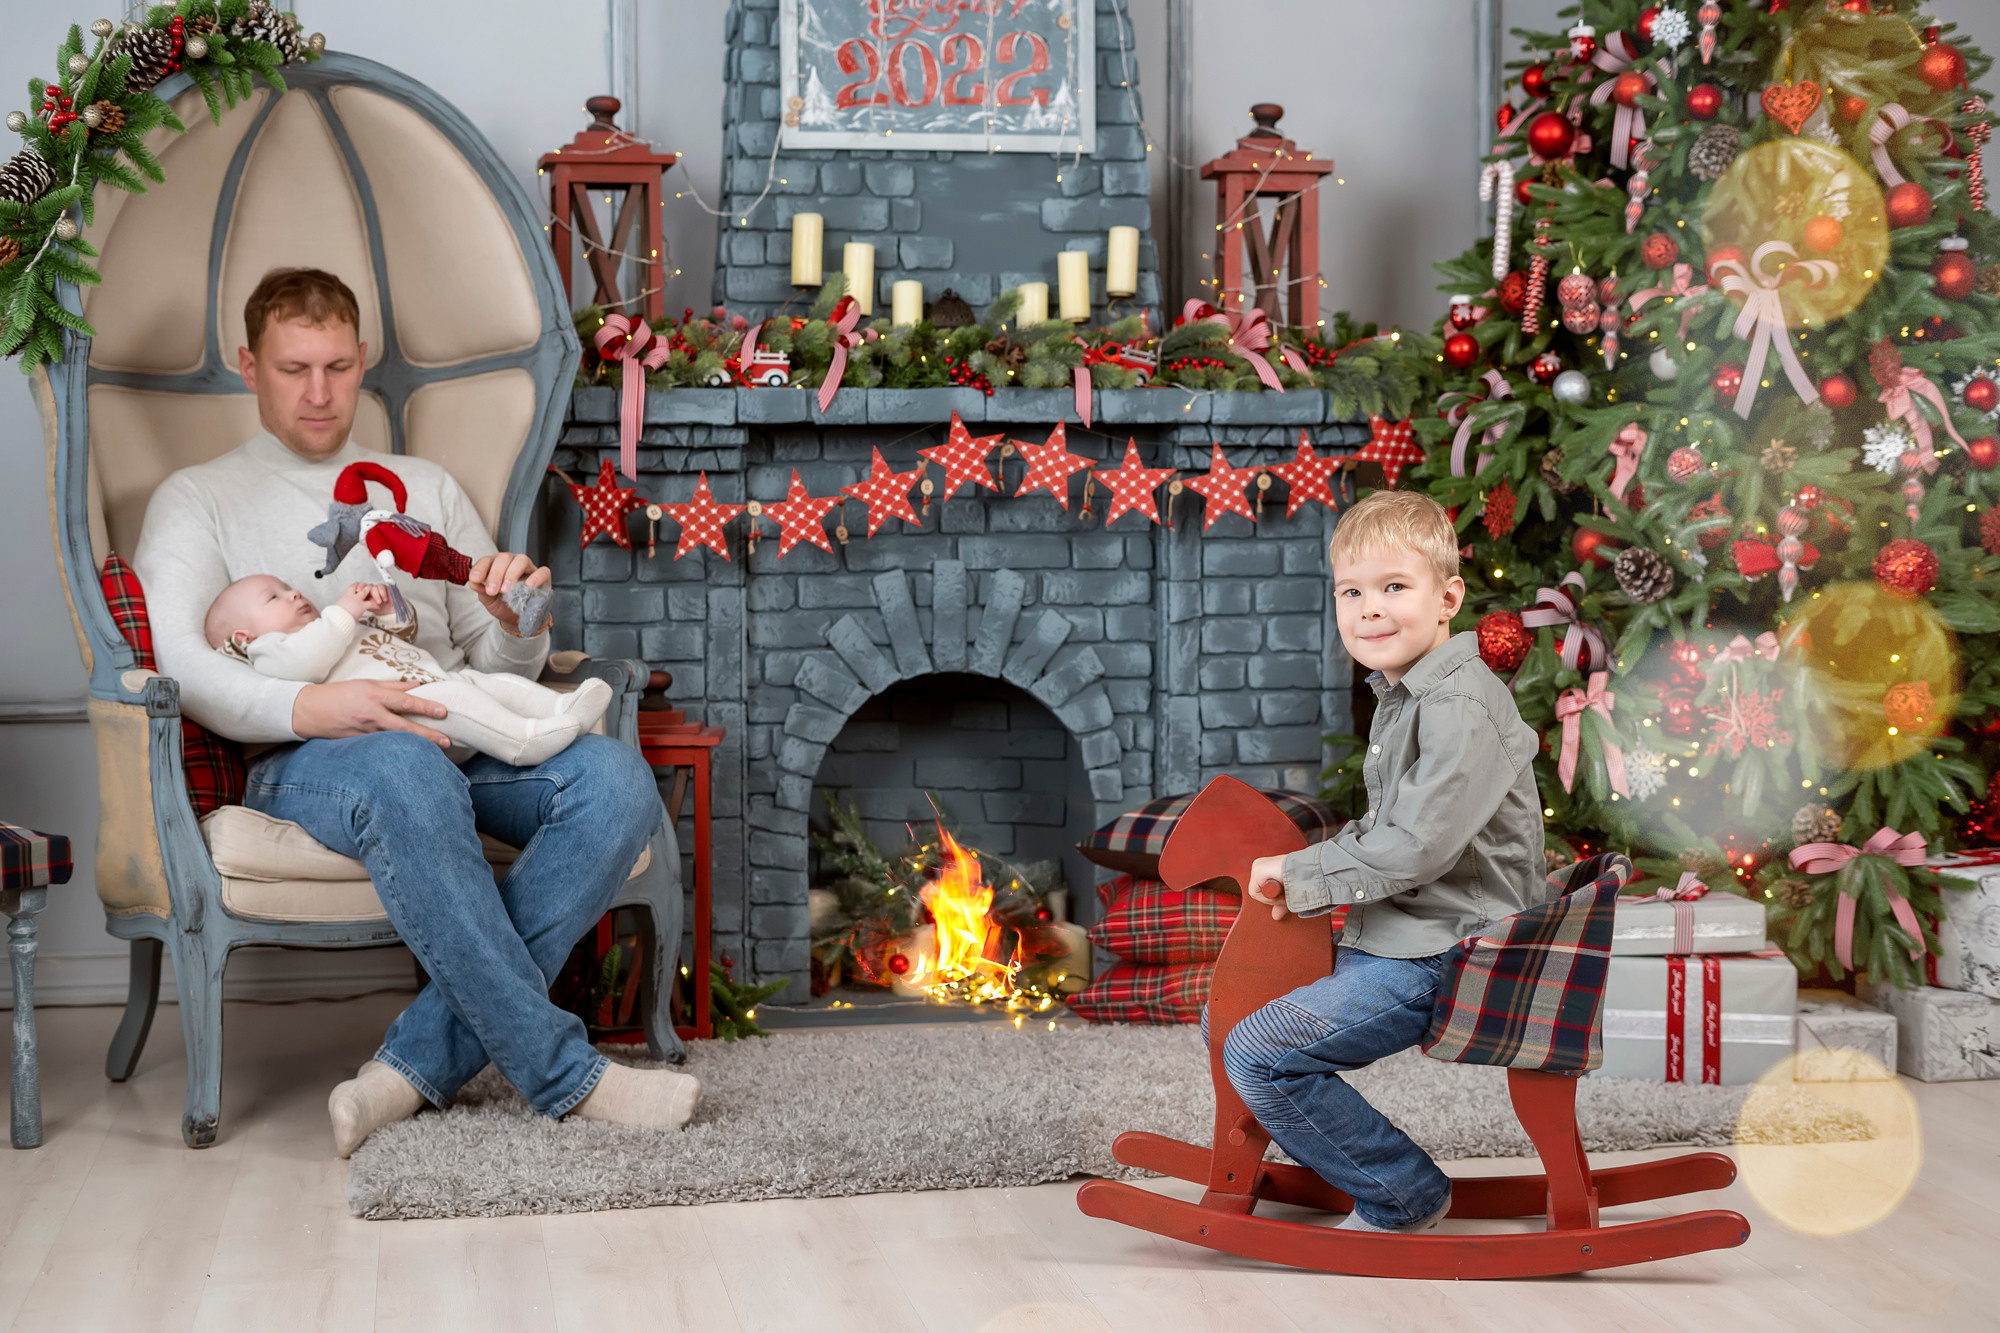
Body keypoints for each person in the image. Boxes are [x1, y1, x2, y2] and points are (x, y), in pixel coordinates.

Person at [135, 267, 699, 1156]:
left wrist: (521, 614)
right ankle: (565, 1073)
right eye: (292, 369)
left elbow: (497, 650)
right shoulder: (196, 500)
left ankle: (411, 1068)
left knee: (617, 781)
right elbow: (184, 672)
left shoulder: (424, 487)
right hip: (313, 758)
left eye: (336, 366)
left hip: (460, 723)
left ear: (363, 360)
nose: (319, 393)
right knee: (402, 767)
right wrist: (324, 703)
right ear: (250, 365)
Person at [1223, 489, 1546, 1234]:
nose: (1370, 609)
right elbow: (1390, 824)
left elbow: (1416, 845)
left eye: (1394, 587)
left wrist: (1303, 875)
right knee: (1247, 1003)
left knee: (1259, 1049)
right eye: (1352, 592)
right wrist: (1313, 875)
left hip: (1448, 952)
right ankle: (1316, 1161)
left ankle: (1401, 1190)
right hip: (1414, 930)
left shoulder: (1458, 704)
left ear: (1448, 598)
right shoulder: (1410, 695)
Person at [206, 574, 612, 768]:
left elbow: (404, 639)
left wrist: (390, 614)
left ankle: (562, 708)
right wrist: (344, 610)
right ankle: (524, 742)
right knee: (456, 697)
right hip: (407, 714)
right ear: (244, 634)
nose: (293, 592)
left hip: (441, 687)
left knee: (489, 683)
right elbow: (305, 662)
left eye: (288, 586)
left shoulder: (332, 627)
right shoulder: (268, 651)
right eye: (273, 596)